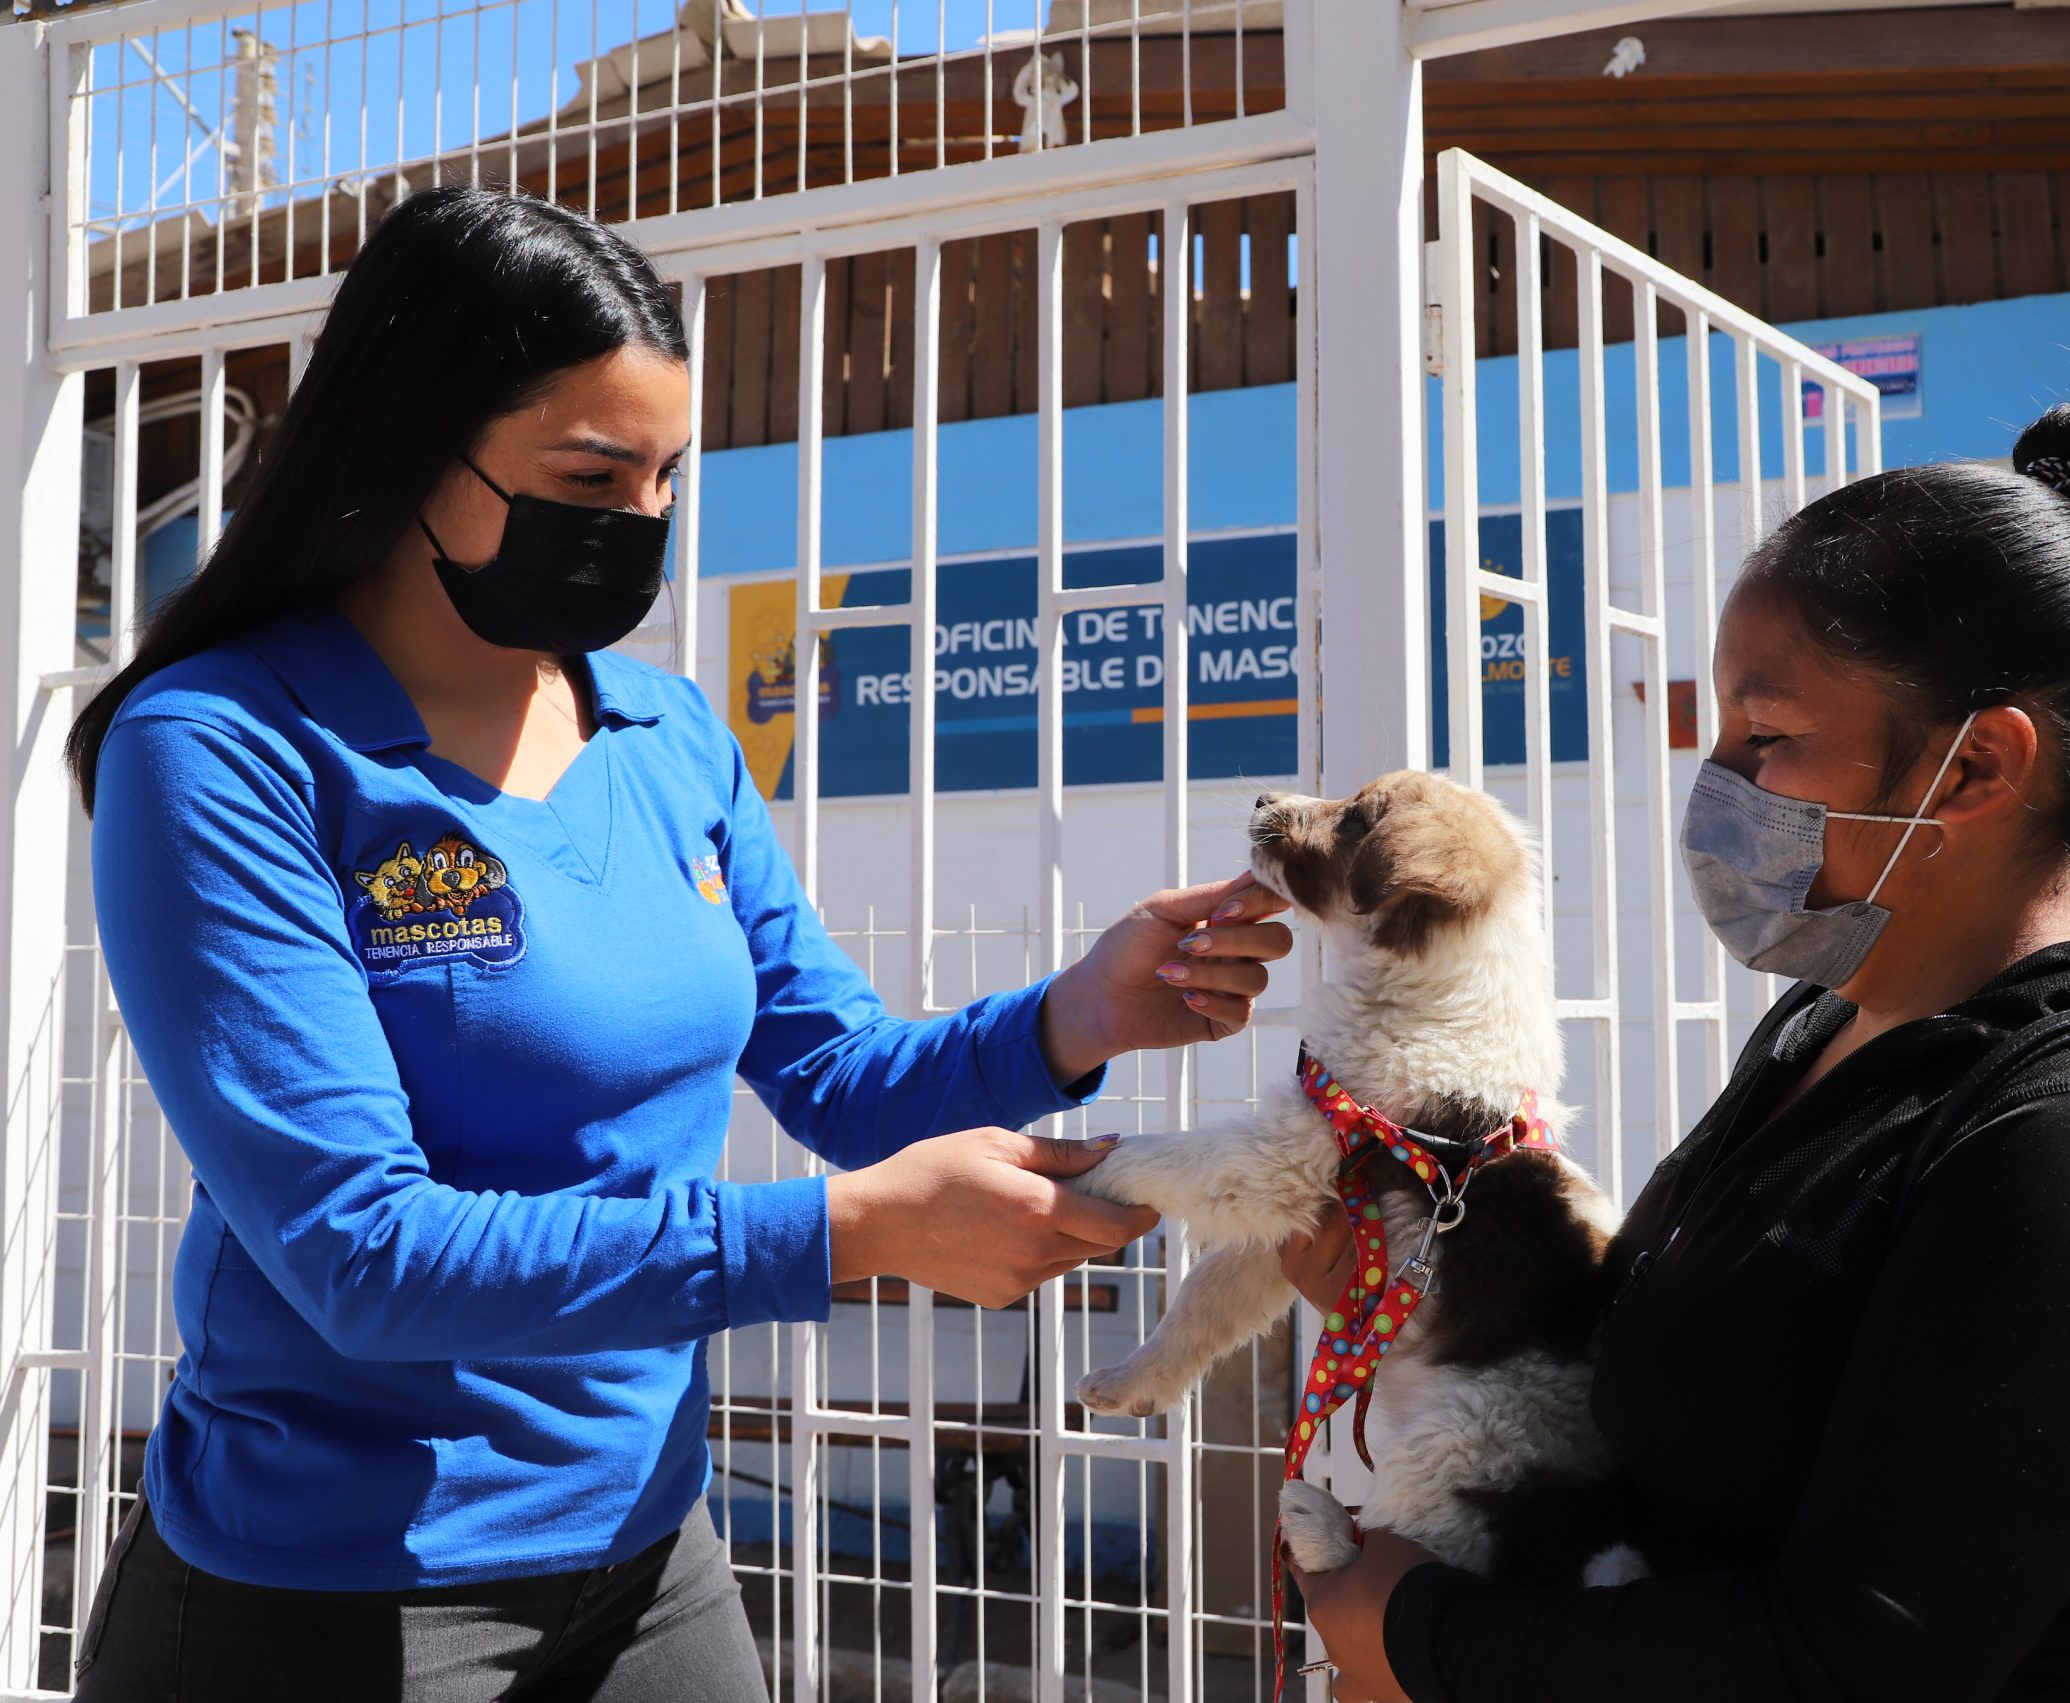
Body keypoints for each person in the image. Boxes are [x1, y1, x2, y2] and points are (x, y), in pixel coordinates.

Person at [65, 186, 1293, 1701]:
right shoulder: (229, 749)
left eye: (667, 479)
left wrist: (1075, 1018)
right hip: (339, 1593)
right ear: (409, 448)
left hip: (652, 1556)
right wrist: (850, 1237)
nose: (638, 524)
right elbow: (361, 1258)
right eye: (592, 474)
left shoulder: (664, 734)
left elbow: (832, 1070)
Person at [1290, 403, 2070, 1701]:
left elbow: (1857, 1657)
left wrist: (1422, 1640)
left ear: (1980, 764)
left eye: (1767, 740)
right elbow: (1708, 1379)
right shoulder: (1826, 1030)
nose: (1719, 788)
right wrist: (1431, 1303)